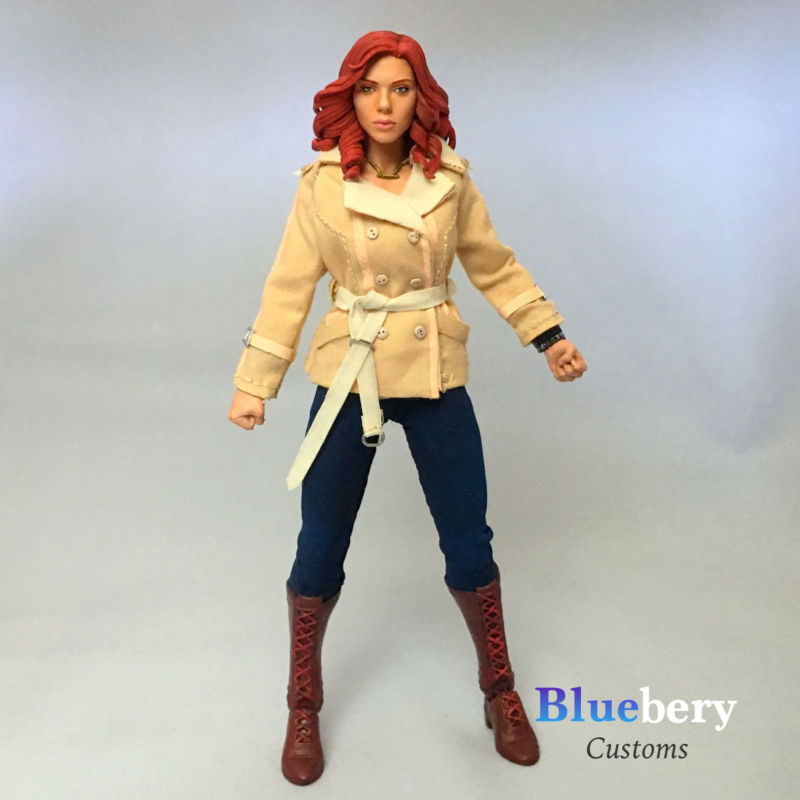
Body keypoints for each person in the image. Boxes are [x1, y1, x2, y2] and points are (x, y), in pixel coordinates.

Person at [227, 30, 586, 786]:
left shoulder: (448, 180)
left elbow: (493, 265)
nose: (384, 104)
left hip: (432, 369)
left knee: (469, 538)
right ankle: (302, 702)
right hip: (349, 369)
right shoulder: (322, 185)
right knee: (320, 542)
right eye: (369, 89)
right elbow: (288, 284)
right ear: (349, 98)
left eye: (399, 87)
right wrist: (256, 381)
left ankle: (499, 689)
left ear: (419, 96)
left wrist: (547, 335)